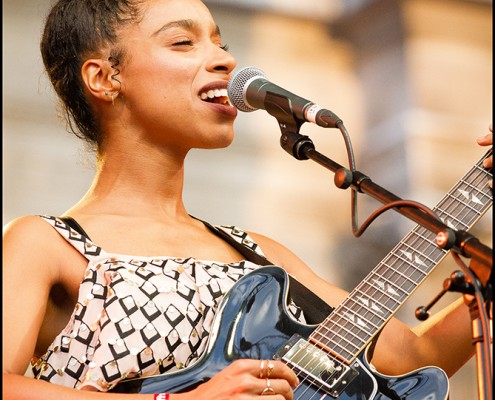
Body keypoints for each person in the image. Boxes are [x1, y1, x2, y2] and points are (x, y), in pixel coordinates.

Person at [2, 0, 492, 399]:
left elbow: (413, 359)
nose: (224, 59)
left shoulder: (257, 254)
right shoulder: (46, 243)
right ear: (105, 78)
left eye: (221, 41)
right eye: (182, 41)